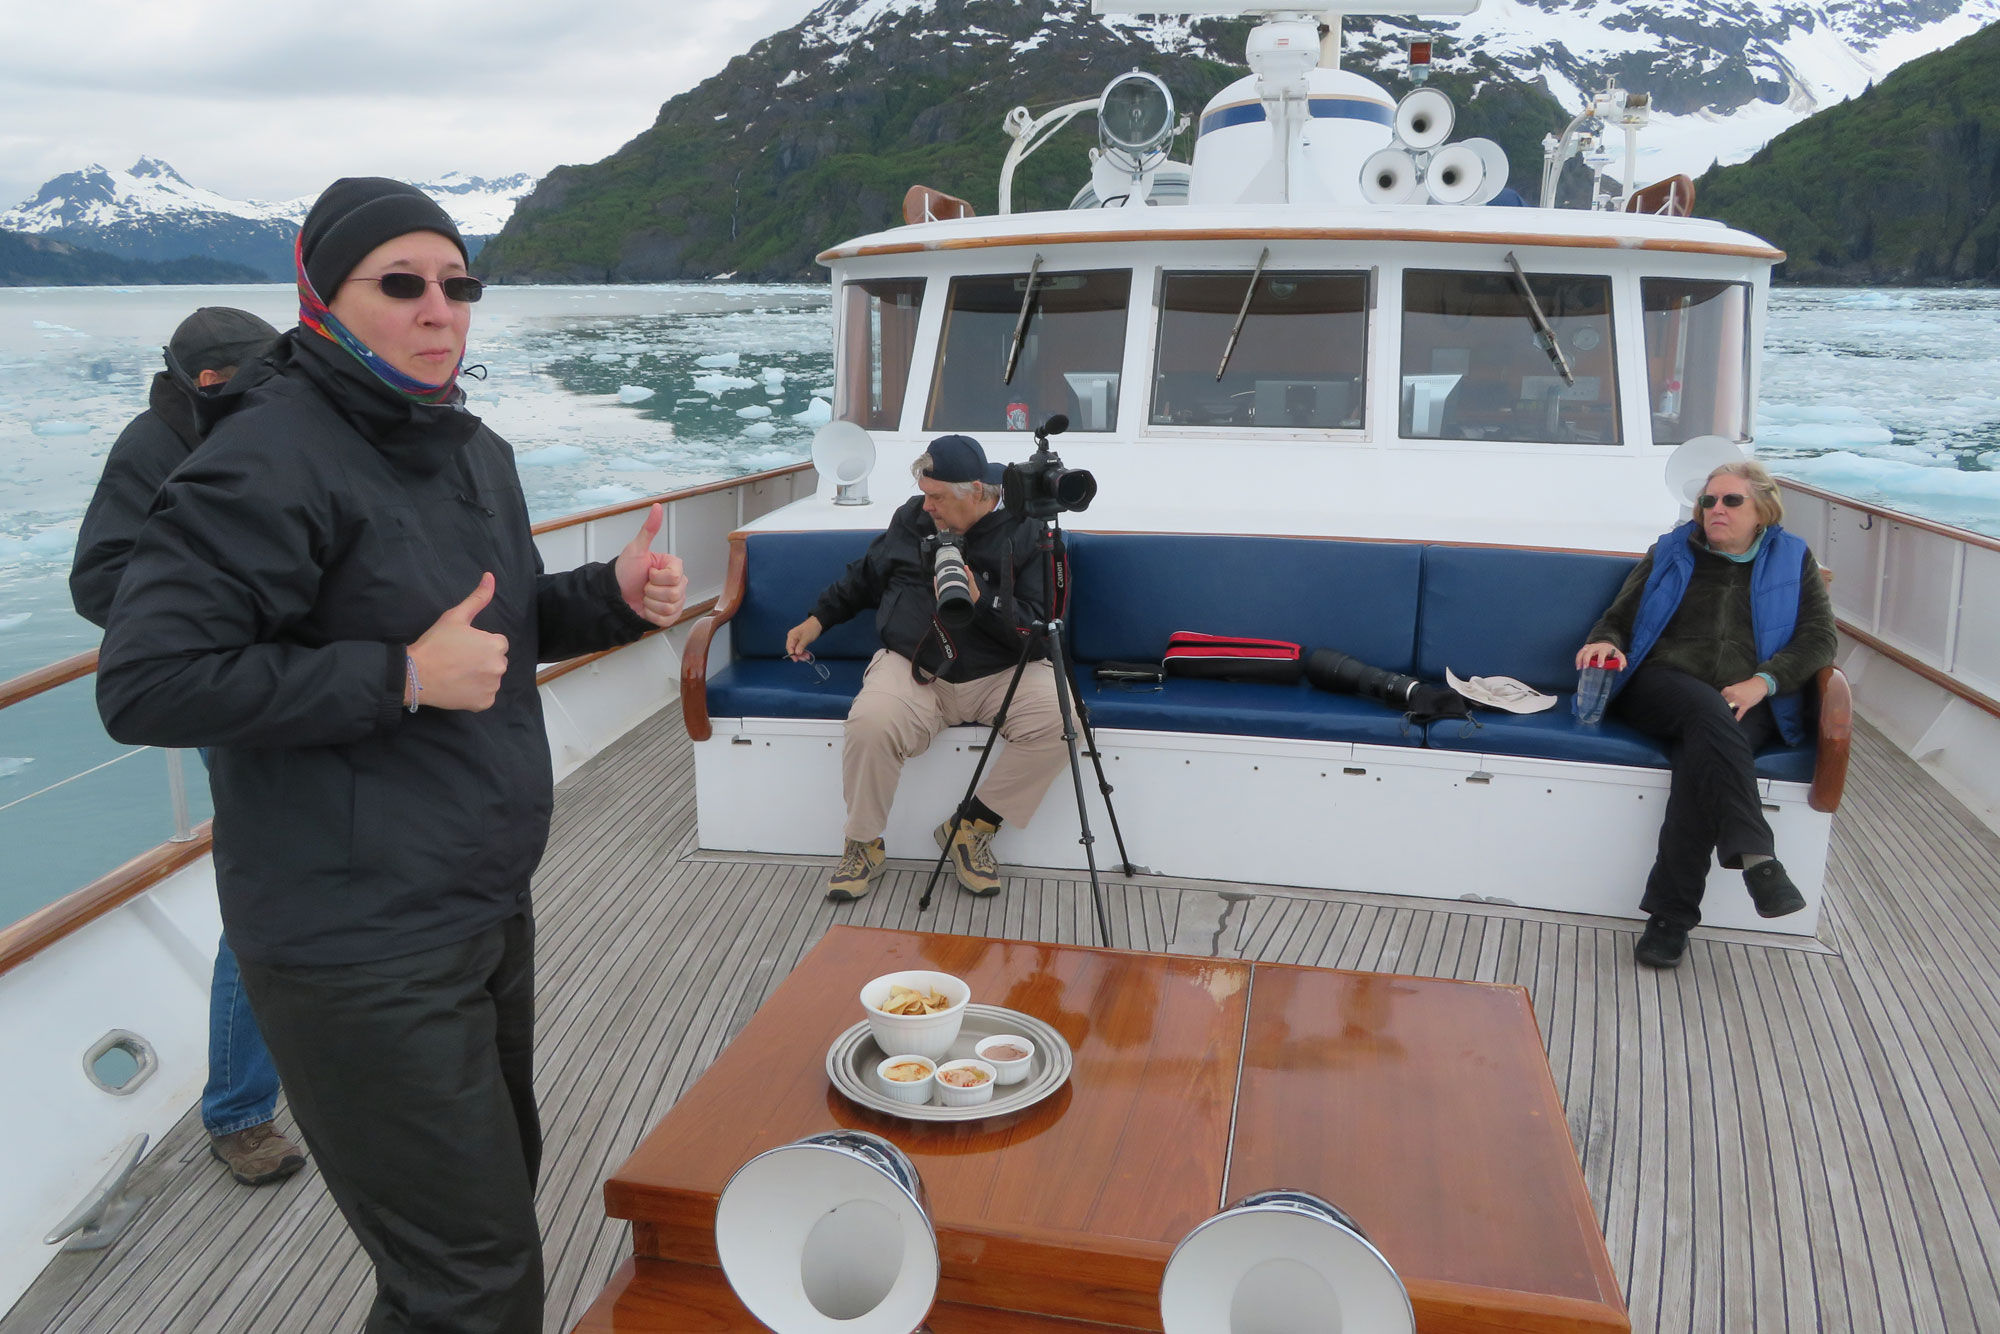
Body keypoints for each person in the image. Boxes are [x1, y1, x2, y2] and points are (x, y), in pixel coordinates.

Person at [95, 177, 687, 1333]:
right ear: (322, 298)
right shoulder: (265, 459)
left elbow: (494, 620)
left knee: (482, 1231)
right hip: (352, 941)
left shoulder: (471, 449)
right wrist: (400, 677)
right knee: (470, 1281)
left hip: (474, 901)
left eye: (457, 284)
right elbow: (146, 679)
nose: (438, 310)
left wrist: (606, 598)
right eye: (400, 284)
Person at [70, 306, 306, 1188]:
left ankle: (343, 1064)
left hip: (326, 688)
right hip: (239, 701)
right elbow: (100, 580)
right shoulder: (152, 446)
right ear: (188, 383)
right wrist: (227, 612)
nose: (245, 393)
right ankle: (241, 1114)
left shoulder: (299, 421)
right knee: (267, 893)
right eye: (222, 384)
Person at [1576, 460, 1836, 969]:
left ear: (1762, 508)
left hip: (1748, 696)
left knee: (1703, 758)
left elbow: (1819, 639)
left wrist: (1762, 682)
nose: (1715, 509)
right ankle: (1757, 857)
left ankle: (1670, 921)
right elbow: (1618, 617)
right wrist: (1604, 641)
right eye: (1708, 500)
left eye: (1730, 500)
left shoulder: (1793, 558)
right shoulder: (1672, 550)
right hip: (1661, 685)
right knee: (1704, 713)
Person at [785, 435, 1067, 901]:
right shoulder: (913, 518)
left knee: (1062, 719)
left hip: (1000, 671)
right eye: (924, 494)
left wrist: (986, 601)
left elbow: (1044, 627)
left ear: (976, 491)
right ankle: (863, 843)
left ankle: (971, 828)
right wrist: (818, 620)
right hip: (917, 666)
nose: (927, 506)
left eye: (936, 497)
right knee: (871, 723)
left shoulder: (1030, 530)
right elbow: (866, 575)